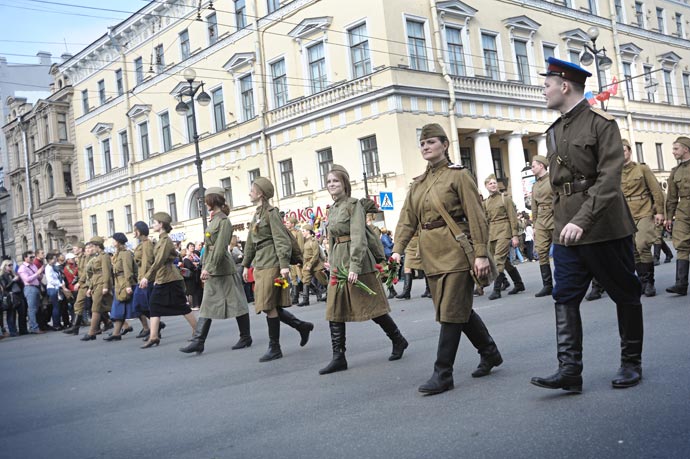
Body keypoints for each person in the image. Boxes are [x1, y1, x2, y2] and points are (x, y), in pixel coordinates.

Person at [531, 58, 643, 393]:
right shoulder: (554, 131)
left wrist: (583, 219)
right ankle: (569, 370)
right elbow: (556, 185)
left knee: (624, 293)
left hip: (604, 227)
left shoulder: (601, 124)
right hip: (566, 230)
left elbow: (609, 179)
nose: (543, 91)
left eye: (547, 85)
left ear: (564, 86)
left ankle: (631, 363)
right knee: (564, 296)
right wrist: (557, 225)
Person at [392, 124, 501, 395]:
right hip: (430, 253)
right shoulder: (418, 184)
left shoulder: (458, 176)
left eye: (431, 142)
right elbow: (407, 219)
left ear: (444, 145)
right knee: (456, 311)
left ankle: (443, 373)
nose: (426, 147)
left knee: (451, 312)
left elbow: (476, 216)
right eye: (423, 143)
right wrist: (397, 249)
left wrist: (480, 253)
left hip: (456, 250)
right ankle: (489, 352)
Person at [318, 165, 408, 375]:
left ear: (345, 184)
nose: (332, 185)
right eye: (329, 181)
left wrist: (355, 266)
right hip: (339, 262)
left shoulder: (353, 205)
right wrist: (331, 262)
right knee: (334, 310)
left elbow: (358, 236)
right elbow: (331, 239)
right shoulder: (331, 209)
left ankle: (398, 339)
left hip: (356, 261)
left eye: (336, 181)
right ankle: (339, 357)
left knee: (372, 307)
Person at [242, 177, 314, 362]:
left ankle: (275, 347)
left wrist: (283, 266)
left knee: (267, 305)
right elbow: (251, 242)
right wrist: (245, 265)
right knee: (270, 305)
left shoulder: (271, 213)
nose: (250, 192)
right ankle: (301, 326)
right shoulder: (257, 214)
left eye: (252, 189)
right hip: (260, 263)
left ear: (260, 193)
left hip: (272, 263)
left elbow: (281, 239)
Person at [180, 188, 252, 354]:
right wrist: (205, 266)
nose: (204, 203)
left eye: (206, 200)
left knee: (237, 303)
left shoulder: (224, 221)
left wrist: (209, 268)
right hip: (213, 266)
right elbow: (210, 247)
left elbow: (220, 248)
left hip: (223, 269)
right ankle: (199, 341)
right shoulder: (214, 220)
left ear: (213, 200)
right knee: (207, 304)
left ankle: (245, 336)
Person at [140, 213, 198, 348]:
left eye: (154, 222)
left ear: (161, 224)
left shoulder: (165, 241)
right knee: (154, 305)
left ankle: (197, 330)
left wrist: (147, 277)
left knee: (181, 306)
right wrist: (155, 278)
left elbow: (159, 261)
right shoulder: (160, 240)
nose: (153, 225)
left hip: (171, 279)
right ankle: (154, 337)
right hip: (164, 278)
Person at [620, 139, 665, 297]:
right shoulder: (615, 172)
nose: (621, 153)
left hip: (644, 211)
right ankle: (642, 282)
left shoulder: (642, 169)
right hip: (625, 214)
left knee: (642, 245)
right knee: (632, 249)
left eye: (623, 150)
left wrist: (659, 211)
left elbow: (656, 190)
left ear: (629, 151)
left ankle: (650, 282)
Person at [484, 175, 525, 300]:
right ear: (486, 186)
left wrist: (515, 236)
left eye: (494, 183)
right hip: (492, 233)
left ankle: (496, 290)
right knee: (504, 262)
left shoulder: (504, 199)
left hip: (504, 231)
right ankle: (519, 284)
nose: (493, 185)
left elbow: (513, 218)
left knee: (498, 260)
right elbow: (485, 220)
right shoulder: (485, 202)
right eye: (490, 183)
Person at [665, 136, 690, 295]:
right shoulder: (675, 172)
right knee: (681, 244)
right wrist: (669, 217)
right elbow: (672, 197)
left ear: (686, 149)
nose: (673, 152)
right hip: (683, 211)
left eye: (676, 149)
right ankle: (681, 284)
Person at [104, 233, 137, 341]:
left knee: (136, 309)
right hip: (119, 284)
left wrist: (128, 285)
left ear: (118, 242)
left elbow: (128, 270)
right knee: (121, 309)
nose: (112, 242)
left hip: (125, 284)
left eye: (114, 240)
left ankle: (150, 327)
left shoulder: (125, 253)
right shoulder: (117, 254)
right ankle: (116, 333)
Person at [80, 237, 113, 341]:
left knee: (96, 308)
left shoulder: (104, 256)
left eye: (93, 246)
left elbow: (106, 272)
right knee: (112, 306)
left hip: (101, 284)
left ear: (98, 246)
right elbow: (92, 274)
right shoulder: (97, 257)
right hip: (96, 283)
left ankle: (92, 332)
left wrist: (106, 286)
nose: (91, 248)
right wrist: (90, 287)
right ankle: (125, 326)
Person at [531, 155, 555, 297]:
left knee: (562, 250)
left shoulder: (552, 179)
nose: (532, 168)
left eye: (533, 165)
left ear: (541, 166)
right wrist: (534, 225)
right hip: (540, 220)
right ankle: (547, 285)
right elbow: (534, 207)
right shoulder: (535, 185)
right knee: (541, 251)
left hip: (554, 217)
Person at [132, 222, 155, 339]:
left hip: (146, 279)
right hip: (141, 278)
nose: (133, 232)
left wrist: (144, 278)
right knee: (139, 305)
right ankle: (155, 327)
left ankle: (154, 329)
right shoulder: (142, 244)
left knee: (143, 305)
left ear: (139, 231)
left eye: (135, 230)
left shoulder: (146, 244)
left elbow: (147, 262)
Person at [63, 243, 90, 335]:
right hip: (83, 284)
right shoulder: (80, 259)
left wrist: (79, 282)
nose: (73, 249)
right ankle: (75, 327)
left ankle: (108, 322)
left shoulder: (85, 258)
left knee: (95, 305)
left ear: (81, 249)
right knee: (79, 304)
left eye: (75, 248)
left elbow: (85, 272)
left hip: (86, 284)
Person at [297, 223, 327, 306]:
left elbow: (316, 255)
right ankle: (305, 300)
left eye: (304, 231)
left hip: (315, 264)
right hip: (306, 263)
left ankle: (329, 294)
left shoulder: (313, 241)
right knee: (305, 280)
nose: (302, 232)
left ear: (308, 231)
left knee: (322, 280)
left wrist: (310, 264)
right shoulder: (305, 241)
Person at [17, 251, 45, 334]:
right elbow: (27, 279)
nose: (32, 259)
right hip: (29, 288)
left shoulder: (33, 265)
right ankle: (34, 327)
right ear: (25, 258)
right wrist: (37, 273)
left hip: (36, 287)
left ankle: (34, 326)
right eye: (30, 257)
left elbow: (38, 277)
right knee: (32, 309)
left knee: (36, 308)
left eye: (33, 257)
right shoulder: (22, 268)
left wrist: (40, 275)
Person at [285, 216, 305, 305]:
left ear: (293, 224)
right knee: (293, 278)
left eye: (288, 223)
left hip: (296, 258)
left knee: (301, 277)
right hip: (290, 258)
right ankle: (295, 298)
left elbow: (300, 246)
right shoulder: (286, 232)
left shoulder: (298, 233)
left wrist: (299, 259)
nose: (286, 224)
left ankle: (317, 291)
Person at [0, 259, 23, 336]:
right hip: (10, 295)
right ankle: (12, 331)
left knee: (19, 312)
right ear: (5, 266)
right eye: (9, 265)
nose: (11, 266)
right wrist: (13, 280)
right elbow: (5, 287)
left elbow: (19, 284)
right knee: (11, 314)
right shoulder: (2, 276)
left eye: (11, 265)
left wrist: (18, 279)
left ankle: (20, 329)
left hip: (17, 294)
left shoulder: (13, 274)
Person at [44, 253, 65, 330]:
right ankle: (56, 324)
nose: (55, 259)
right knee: (55, 307)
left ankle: (58, 323)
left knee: (58, 306)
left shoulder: (54, 267)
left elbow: (59, 276)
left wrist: (62, 283)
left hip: (57, 287)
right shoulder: (48, 268)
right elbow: (50, 280)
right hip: (52, 288)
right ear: (49, 260)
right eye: (54, 258)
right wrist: (60, 284)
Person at [379, 228, 397, 299]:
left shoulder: (383, 236)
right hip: (384, 253)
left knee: (384, 274)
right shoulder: (384, 237)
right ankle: (392, 291)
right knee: (383, 274)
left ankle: (392, 291)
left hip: (381, 254)